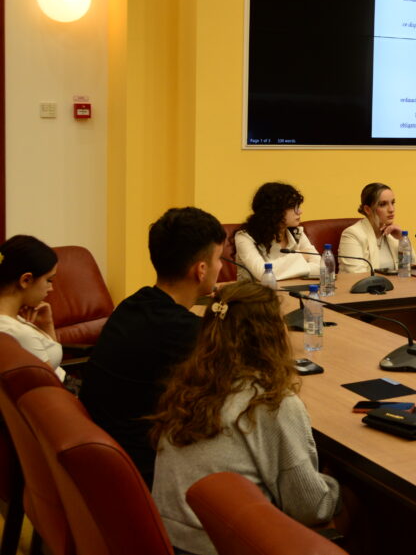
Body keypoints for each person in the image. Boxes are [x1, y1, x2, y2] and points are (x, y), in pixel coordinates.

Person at [151, 281, 341, 555]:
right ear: (271, 335)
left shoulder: (187, 386)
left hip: (170, 540)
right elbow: (311, 508)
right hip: (220, 546)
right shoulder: (271, 402)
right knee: (357, 506)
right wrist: (335, 487)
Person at [79, 207, 225, 487]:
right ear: (201, 269)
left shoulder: (133, 304)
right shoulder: (185, 332)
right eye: (219, 258)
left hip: (103, 460)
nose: (221, 267)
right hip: (143, 474)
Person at [0, 235, 65, 380]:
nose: (51, 288)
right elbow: (49, 383)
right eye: (49, 280)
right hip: (65, 389)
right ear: (26, 280)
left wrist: (46, 324)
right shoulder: (16, 332)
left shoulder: (13, 318)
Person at [234, 182, 319, 281]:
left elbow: (322, 267)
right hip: (257, 291)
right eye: (293, 207)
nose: (300, 211)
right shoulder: (244, 237)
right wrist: (302, 256)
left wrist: (289, 269)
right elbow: (263, 274)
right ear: (274, 210)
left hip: (293, 288)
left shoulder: (296, 233)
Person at [338, 182, 416, 273]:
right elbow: (357, 276)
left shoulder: (393, 235)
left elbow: (412, 268)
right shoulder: (352, 235)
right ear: (367, 209)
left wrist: (402, 240)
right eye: (383, 204)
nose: (391, 209)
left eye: (392, 203)